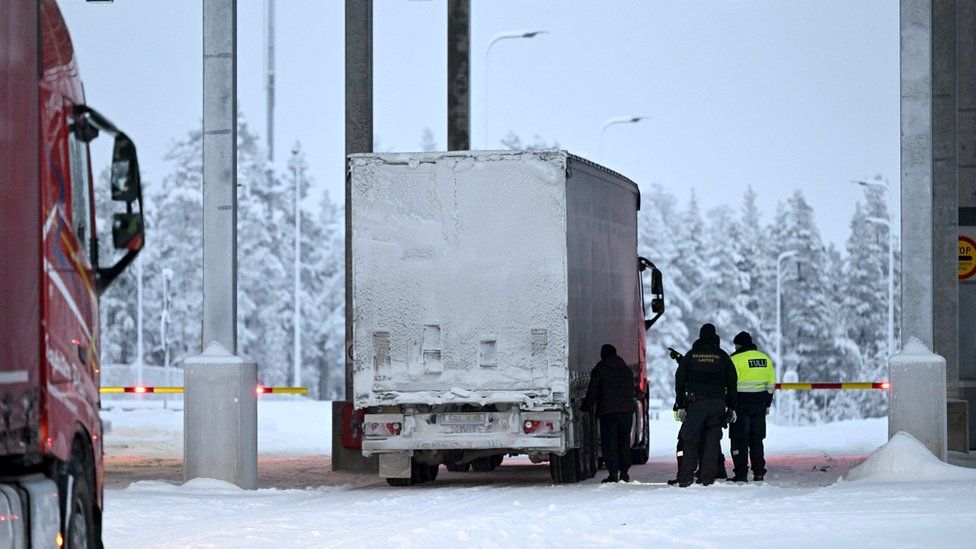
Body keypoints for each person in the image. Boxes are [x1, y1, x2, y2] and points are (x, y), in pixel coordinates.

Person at [673, 323, 737, 487]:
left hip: (696, 404)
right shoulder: (722, 356)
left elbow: (679, 380)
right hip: (717, 405)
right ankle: (707, 479)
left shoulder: (691, 355)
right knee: (712, 442)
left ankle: (686, 477)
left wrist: (680, 404)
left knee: (691, 439)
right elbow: (732, 383)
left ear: (700, 337)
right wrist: (731, 407)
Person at [581, 344, 636, 483]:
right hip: (626, 412)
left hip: (608, 413)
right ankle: (624, 472)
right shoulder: (626, 370)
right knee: (624, 442)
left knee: (609, 443)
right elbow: (631, 391)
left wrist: (584, 408)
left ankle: (613, 473)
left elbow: (592, 392)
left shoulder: (600, 369)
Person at [728, 331, 776, 482]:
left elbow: (729, 385)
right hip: (760, 403)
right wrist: (767, 404)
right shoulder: (765, 359)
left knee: (739, 438)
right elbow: (771, 385)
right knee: (756, 439)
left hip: (740, 403)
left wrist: (729, 406)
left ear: (738, 345)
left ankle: (741, 474)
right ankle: (759, 472)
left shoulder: (734, 359)